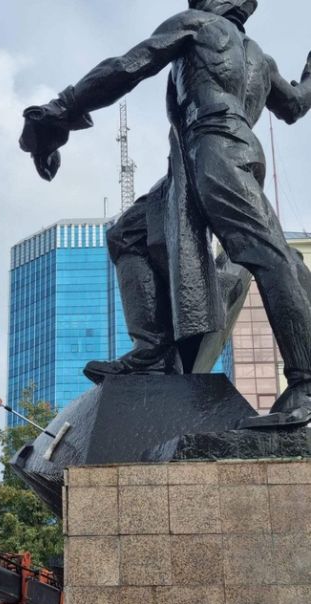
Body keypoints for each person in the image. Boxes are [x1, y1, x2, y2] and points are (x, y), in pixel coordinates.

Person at [19, 0, 311, 425]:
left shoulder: (199, 25)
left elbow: (129, 66)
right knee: (128, 234)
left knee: (268, 254)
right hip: (204, 157)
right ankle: (153, 351)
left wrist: (62, 110)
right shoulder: (260, 61)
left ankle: (305, 382)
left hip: (214, 148)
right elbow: (296, 106)